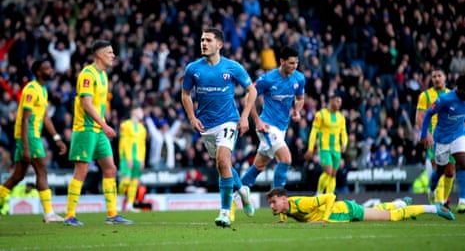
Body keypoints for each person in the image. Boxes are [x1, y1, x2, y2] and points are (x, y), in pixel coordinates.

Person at [181, 27, 257, 227]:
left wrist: (244, 117)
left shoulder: (232, 67)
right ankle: (242, 191)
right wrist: (191, 117)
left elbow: (252, 91)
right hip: (205, 125)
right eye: (202, 40)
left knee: (224, 160)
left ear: (219, 45)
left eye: (208, 40)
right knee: (223, 166)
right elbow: (185, 94)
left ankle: (224, 212)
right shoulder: (193, 69)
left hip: (228, 120)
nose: (203, 43)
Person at [64, 40, 133, 226]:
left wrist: (104, 122)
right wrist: (104, 124)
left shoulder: (103, 76)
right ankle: (70, 215)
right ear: (100, 55)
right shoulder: (88, 74)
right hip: (86, 129)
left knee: (110, 168)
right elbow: (86, 104)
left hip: (98, 129)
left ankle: (112, 213)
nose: (113, 55)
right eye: (110, 52)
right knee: (81, 171)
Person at [0, 59, 66, 223]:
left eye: (51, 67)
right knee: (42, 171)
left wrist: (57, 138)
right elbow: (24, 119)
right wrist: (26, 147)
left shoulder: (42, 90)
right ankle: (49, 214)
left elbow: (45, 117)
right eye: (47, 68)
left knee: (17, 176)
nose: (51, 70)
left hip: (31, 135)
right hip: (28, 135)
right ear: (38, 72)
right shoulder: (31, 89)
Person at [238, 45, 305, 201]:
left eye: (296, 63)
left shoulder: (299, 78)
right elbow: (247, 98)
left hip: (281, 129)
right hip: (267, 126)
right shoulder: (268, 79)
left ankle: (235, 197)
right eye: (291, 63)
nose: (294, 66)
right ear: (281, 61)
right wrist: (257, 121)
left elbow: (300, 98)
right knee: (286, 159)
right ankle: (278, 201)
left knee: (259, 166)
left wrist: (297, 110)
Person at [266, 187, 455, 223]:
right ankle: (399, 202)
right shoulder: (287, 208)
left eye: (274, 202)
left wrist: (324, 218)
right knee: (377, 211)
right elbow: (286, 210)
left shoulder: (301, 202)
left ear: (285, 199)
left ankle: (434, 209)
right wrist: (282, 218)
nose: (272, 206)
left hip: (346, 211)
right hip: (345, 212)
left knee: (391, 218)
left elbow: (330, 196)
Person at [421, 74, 465, 213]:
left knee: (463, 163)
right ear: (458, 88)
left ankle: (462, 201)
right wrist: (423, 134)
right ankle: (431, 189)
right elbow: (428, 114)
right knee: (440, 170)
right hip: (442, 139)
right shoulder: (445, 99)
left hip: (458, 134)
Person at [415, 67, 454, 205]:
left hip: (451, 136)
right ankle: (440, 201)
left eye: (439, 75)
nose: (436, 78)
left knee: (450, 172)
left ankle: (437, 195)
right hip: (434, 138)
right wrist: (426, 134)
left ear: (445, 77)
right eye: (434, 76)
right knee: (439, 168)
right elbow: (419, 117)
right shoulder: (425, 96)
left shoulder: (453, 94)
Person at [304, 94, 348, 194]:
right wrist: (310, 148)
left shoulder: (341, 117)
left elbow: (344, 132)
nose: (339, 104)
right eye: (337, 101)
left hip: (336, 149)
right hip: (324, 148)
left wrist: (344, 144)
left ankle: (329, 197)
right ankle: (319, 193)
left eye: (340, 102)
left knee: (333, 174)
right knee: (328, 171)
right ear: (331, 101)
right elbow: (313, 132)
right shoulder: (321, 115)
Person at [118, 106, 147, 212]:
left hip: (138, 158)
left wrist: (142, 159)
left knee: (134, 182)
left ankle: (130, 204)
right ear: (133, 111)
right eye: (140, 110)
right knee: (125, 181)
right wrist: (128, 157)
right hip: (126, 157)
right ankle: (118, 201)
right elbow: (124, 143)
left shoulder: (142, 128)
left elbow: (143, 145)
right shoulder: (125, 125)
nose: (142, 113)